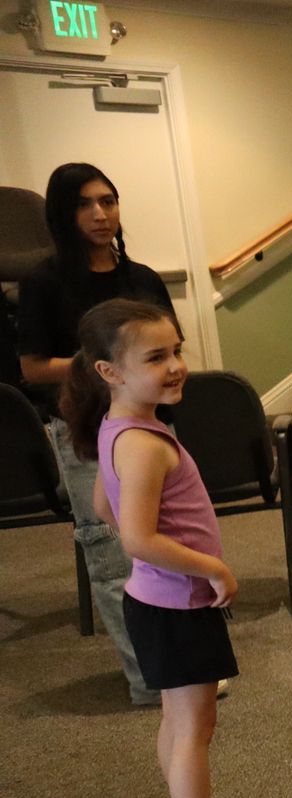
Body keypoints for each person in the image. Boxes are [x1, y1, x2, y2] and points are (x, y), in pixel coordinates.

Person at [65, 300, 277, 798]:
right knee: (194, 728)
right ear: (110, 371)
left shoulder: (120, 428)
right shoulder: (144, 441)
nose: (176, 365)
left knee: (177, 720)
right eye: (156, 357)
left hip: (152, 601)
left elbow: (104, 505)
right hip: (177, 605)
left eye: (177, 350)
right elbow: (136, 536)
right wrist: (211, 566)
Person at [19, 163, 178, 706]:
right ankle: (148, 680)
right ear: (64, 215)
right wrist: (107, 366)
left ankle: (174, 664)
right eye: (85, 204)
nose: (100, 214)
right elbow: (33, 367)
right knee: (114, 554)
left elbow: (167, 351)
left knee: (164, 545)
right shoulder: (44, 282)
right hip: (86, 431)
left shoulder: (142, 279)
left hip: (152, 428)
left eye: (108, 201)